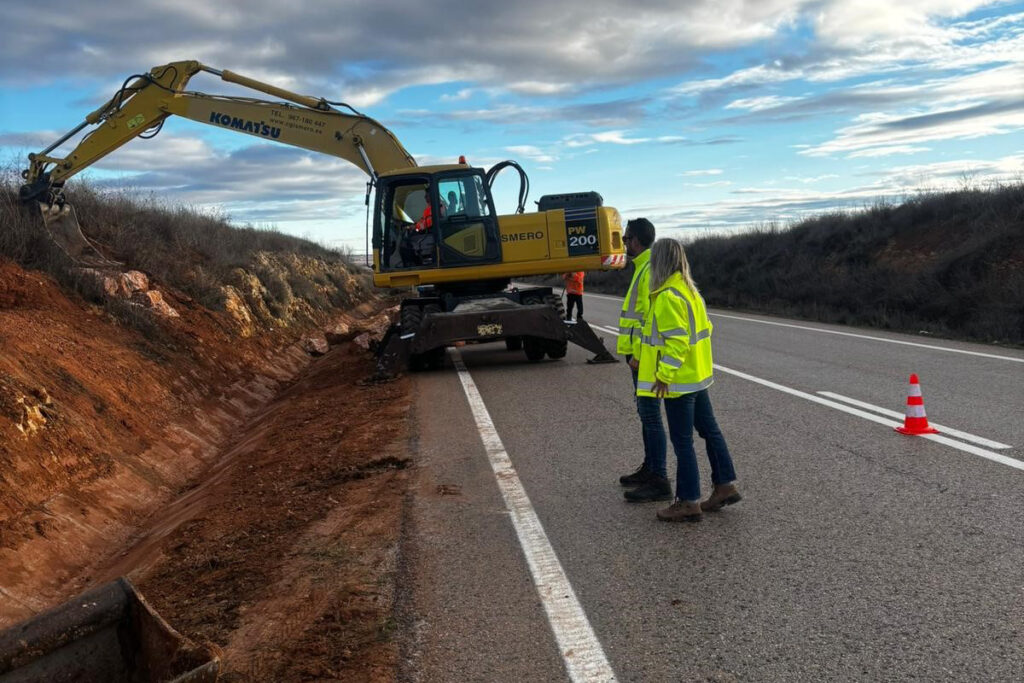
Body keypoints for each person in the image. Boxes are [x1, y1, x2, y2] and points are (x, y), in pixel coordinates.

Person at [628, 237, 741, 522]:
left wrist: (664, 375)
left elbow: (676, 342)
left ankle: (688, 501)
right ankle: (724, 484)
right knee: (710, 431)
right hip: (698, 376)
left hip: (678, 382)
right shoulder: (691, 291)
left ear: (660, 262)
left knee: (682, 441)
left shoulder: (666, 296)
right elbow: (705, 330)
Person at [616, 218, 667, 495]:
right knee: (645, 414)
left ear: (636, 240)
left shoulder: (648, 268)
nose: (624, 244)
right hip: (640, 355)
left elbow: (649, 318)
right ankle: (650, 468)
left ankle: (658, 477)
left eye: (626, 239)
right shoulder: (644, 266)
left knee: (650, 416)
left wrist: (637, 355)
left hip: (643, 356)